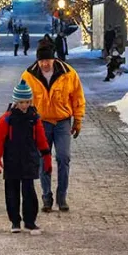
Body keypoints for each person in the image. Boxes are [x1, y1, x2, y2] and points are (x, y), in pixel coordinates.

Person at [22, 39, 86, 213]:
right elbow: (22, 100)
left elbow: (77, 97)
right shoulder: (28, 75)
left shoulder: (68, 73)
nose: (44, 64)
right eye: (41, 61)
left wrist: (78, 120)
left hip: (62, 122)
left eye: (47, 61)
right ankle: (46, 196)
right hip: (41, 122)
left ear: (54, 59)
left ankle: (62, 196)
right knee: (44, 160)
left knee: (63, 157)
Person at [0, 80, 52, 234]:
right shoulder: (6, 119)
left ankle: (30, 221)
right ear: (15, 102)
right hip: (12, 161)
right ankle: (15, 221)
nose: (24, 105)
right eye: (21, 102)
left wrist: (46, 156)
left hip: (29, 160)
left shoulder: (34, 118)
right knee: (11, 192)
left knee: (29, 192)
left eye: (27, 102)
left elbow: (41, 138)